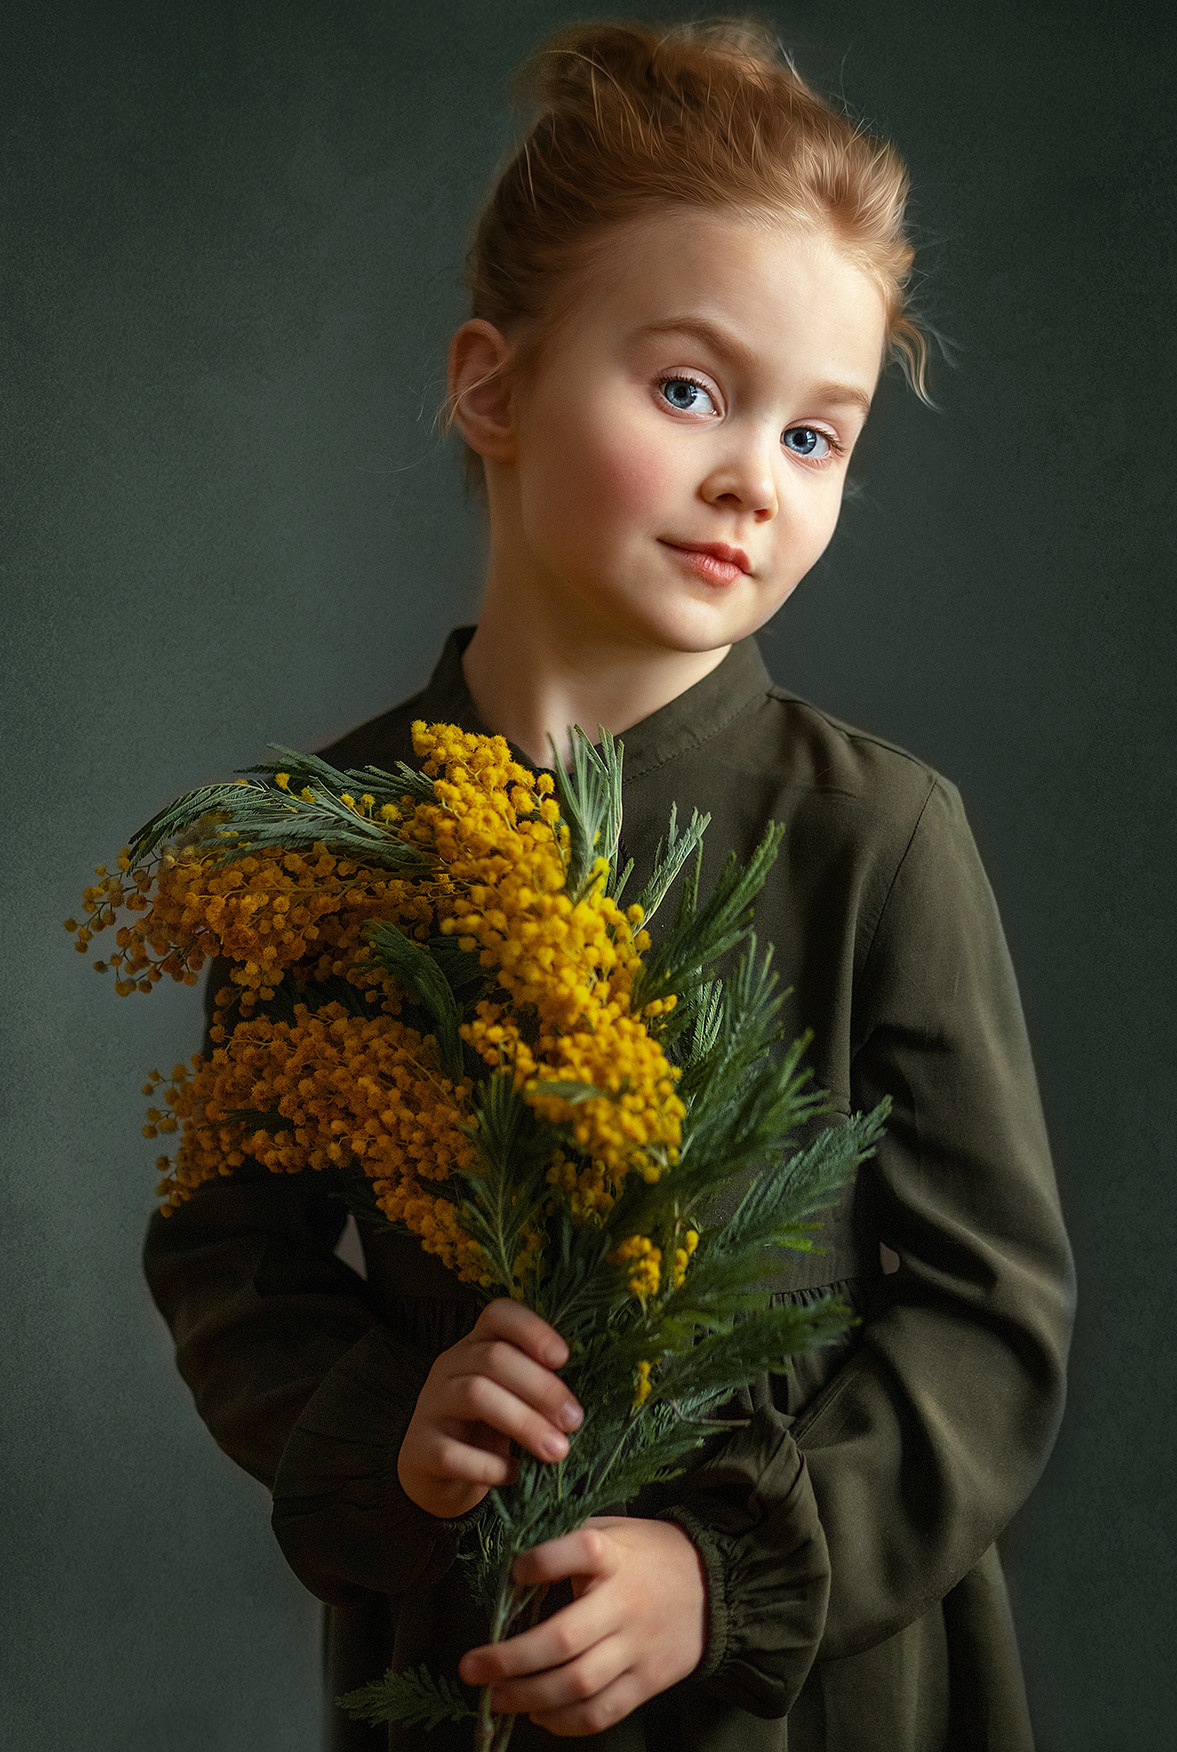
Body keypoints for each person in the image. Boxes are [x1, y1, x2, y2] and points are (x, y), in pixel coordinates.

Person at [144, 19, 1075, 1751]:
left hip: (822, 1683)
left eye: (820, 437)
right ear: (492, 387)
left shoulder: (880, 836)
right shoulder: (326, 840)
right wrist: (393, 1418)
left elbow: (990, 1325)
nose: (753, 479)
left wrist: (718, 1577)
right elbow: (229, 1255)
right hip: (466, 1662)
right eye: (690, 391)